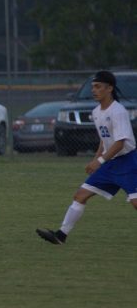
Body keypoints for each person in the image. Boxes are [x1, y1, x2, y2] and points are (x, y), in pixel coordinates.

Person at [37, 70, 137, 244]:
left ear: (110, 88)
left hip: (127, 162)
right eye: (93, 87)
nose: (94, 90)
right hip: (109, 163)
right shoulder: (97, 111)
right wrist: (96, 159)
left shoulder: (118, 111)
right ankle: (61, 235)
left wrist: (99, 161)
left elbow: (120, 143)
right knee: (80, 196)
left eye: (98, 87)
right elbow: (104, 140)